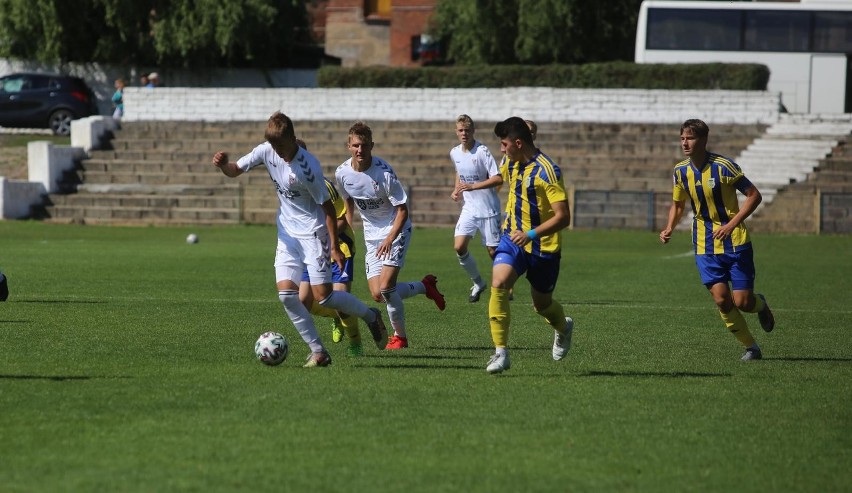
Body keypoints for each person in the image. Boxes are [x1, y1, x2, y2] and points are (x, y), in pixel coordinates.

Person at [212, 112, 388, 367]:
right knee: (286, 295)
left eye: (281, 146)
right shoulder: (266, 150)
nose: (277, 152)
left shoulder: (308, 167)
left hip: (314, 234)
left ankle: (370, 315)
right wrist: (222, 165)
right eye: (274, 146)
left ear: (293, 139)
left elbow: (328, 209)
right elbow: (235, 170)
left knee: (324, 297)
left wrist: (334, 248)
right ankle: (319, 351)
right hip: (287, 234)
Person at [660, 118, 775, 361]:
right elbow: (677, 204)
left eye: (689, 138)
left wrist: (731, 224)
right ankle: (751, 348)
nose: (684, 142)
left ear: (703, 140)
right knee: (723, 300)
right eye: (682, 138)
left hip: (736, 240)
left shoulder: (723, 167)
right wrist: (669, 226)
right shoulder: (680, 171)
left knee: (742, 301)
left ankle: (760, 305)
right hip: (704, 243)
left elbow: (754, 195)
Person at [335, 121, 446, 350]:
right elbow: (347, 202)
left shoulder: (384, 174)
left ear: (372, 145)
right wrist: (347, 230)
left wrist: (389, 238)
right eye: (355, 145)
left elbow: (403, 211)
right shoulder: (342, 173)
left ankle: (400, 337)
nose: (360, 150)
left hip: (396, 230)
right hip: (372, 236)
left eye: (364, 145)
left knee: (386, 288)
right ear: (348, 146)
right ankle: (425, 286)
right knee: (378, 294)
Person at [485, 117, 573, 374]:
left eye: (504, 144)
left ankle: (563, 328)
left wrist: (531, 233)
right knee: (499, 282)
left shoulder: (548, 170)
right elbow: (497, 180)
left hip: (543, 246)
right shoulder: (511, 164)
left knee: (541, 305)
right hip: (513, 238)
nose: (501, 150)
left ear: (518, 143)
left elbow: (563, 217)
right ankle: (501, 353)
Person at [293, 138, 363, 356]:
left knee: (341, 301)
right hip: (313, 251)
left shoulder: (323, 186)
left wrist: (322, 234)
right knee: (303, 302)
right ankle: (336, 316)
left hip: (340, 248)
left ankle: (355, 342)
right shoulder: (291, 190)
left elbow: (341, 220)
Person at [449, 114, 503, 302]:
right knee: (459, 246)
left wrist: (473, 186)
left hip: (488, 209)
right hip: (470, 208)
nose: (464, 133)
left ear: (473, 131)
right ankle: (478, 282)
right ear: (457, 132)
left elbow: (498, 178)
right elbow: (459, 172)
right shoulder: (454, 152)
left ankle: (504, 287)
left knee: (493, 252)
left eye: (467, 130)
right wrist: (457, 189)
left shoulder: (482, 151)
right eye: (461, 130)